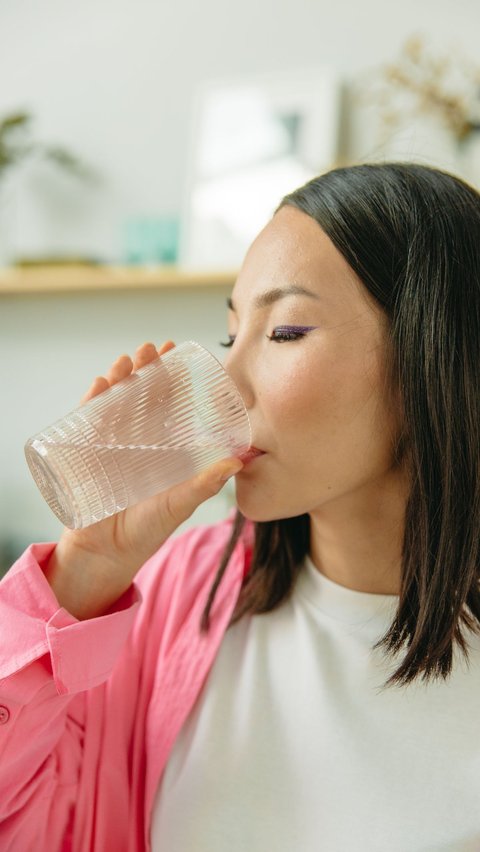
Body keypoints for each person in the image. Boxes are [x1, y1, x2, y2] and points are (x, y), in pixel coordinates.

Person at [1, 162, 480, 852]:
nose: (224, 382)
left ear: (434, 351)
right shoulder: (175, 597)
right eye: (231, 336)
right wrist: (82, 573)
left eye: (285, 333)